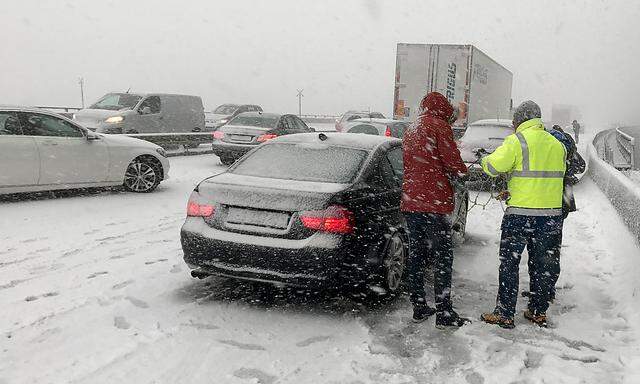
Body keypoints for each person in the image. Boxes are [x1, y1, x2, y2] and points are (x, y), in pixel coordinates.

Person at [479, 101, 567, 329]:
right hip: (550, 217)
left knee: (509, 264)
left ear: (520, 120)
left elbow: (493, 167)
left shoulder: (517, 142)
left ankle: (505, 313)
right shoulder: (557, 145)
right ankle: (538, 311)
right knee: (543, 264)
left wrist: (484, 159)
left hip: (519, 215)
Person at [401, 91, 471, 327]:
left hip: (412, 202)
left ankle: (419, 305)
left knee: (417, 256)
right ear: (443, 109)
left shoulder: (412, 128)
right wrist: (464, 171)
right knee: (442, 258)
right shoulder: (439, 127)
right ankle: (444, 312)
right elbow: (452, 162)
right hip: (434, 204)